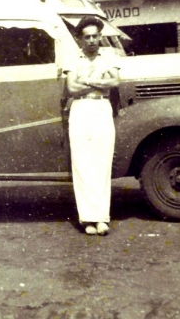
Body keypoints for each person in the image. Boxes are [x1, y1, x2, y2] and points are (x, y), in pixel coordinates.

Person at [64, 16, 122, 236]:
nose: (91, 40)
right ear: (80, 39)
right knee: (83, 164)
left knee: (101, 162)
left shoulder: (108, 57)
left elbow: (115, 81)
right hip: (80, 110)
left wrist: (87, 81)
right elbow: (71, 87)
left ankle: (101, 219)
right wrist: (99, 82)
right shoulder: (73, 58)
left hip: (101, 109)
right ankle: (87, 218)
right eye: (86, 37)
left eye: (95, 36)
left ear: (100, 36)